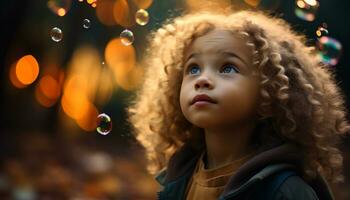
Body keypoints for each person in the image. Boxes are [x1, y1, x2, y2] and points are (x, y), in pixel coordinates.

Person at [126, 8, 350, 200]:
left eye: (227, 68)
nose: (202, 79)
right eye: (193, 68)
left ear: (268, 90)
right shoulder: (179, 177)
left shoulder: (285, 191)